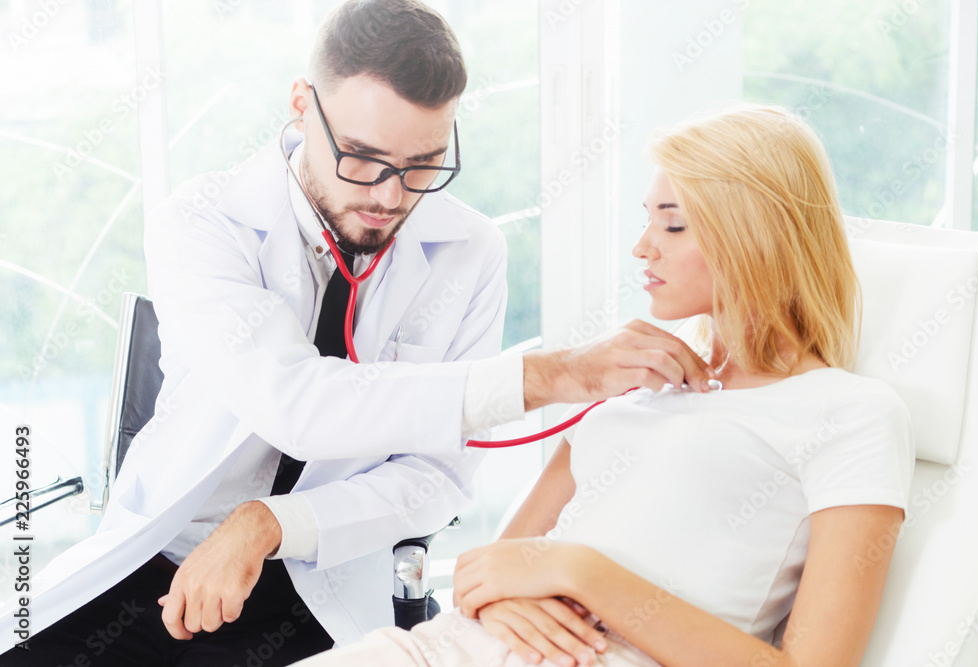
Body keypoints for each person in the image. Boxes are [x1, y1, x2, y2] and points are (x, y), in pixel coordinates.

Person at [0, 1, 708, 665]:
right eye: (363, 159)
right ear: (303, 105)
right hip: (160, 564)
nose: (389, 196)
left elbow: (436, 477)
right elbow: (298, 406)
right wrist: (553, 373)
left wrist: (272, 522)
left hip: (323, 582)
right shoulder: (203, 221)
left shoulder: (470, 251)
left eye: (423, 163)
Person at [290, 104, 916, 667]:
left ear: (755, 235)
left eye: (673, 226)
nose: (643, 248)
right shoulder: (637, 387)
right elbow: (487, 570)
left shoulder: (850, 413)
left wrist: (580, 571)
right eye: (648, 221)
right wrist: (510, 596)